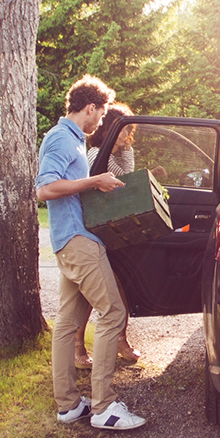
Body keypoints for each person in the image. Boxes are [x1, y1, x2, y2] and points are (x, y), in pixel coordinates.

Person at [35, 75, 146, 431]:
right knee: (113, 311)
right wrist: (94, 181)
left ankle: (69, 405)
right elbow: (45, 189)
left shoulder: (73, 140)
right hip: (78, 243)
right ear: (90, 108)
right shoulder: (61, 139)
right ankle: (104, 408)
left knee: (67, 325)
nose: (100, 123)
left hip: (70, 239)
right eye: (100, 115)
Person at [74, 102, 142, 369]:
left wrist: (124, 146)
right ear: (110, 130)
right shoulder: (95, 155)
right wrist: (117, 146)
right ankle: (78, 346)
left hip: (115, 229)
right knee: (91, 293)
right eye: (123, 130)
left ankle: (120, 339)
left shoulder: (119, 153)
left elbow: (129, 175)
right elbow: (122, 181)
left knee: (119, 285)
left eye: (130, 130)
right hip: (95, 230)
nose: (128, 135)